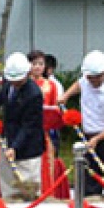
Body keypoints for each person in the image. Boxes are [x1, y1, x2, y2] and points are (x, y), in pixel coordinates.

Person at [58, 50, 104, 197]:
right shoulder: (86, 80)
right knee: (88, 178)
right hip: (88, 136)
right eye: (90, 77)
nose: (93, 80)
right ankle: (88, 205)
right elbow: (79, 84)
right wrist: (66, 95)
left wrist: (97, 139)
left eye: (97, 77)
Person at [0, 53, 44, 199]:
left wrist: (15, 147)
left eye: (18, 80)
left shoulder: (34, 94)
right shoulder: (9, 84)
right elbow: (2, 96)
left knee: (27, 184)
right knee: (7, 180)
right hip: (8, 136)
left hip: (27, 146)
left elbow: (28, 125)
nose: (15, 83)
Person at [28, 50, 59, 190]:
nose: (37, 67)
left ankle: (47, 192)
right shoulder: (23, 83)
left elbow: (53, 108)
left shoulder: (51, 85)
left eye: (40, 64)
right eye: (34, 63)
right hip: (27, 129)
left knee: (46, 162)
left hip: (44, 131)